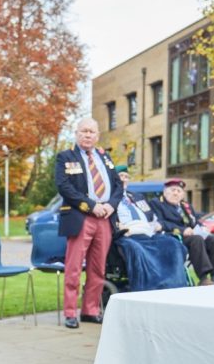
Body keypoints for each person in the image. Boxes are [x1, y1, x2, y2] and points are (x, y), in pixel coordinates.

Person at [55, 118, 123, 329]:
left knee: (98, 268)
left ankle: (90, 310)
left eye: (92, 132)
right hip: (81, 216)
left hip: (105, 218)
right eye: (84, 131)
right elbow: (64, 186)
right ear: (76, 134)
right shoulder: (65, 157)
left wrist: (111, 205)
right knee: (74, 267)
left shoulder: (105, 157)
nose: (87, 135)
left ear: (97, 135)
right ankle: (69, 313)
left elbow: (118, 185)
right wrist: (91, 205)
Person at [112, 166, 187, 291]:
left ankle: (176, 285)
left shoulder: (137, 197)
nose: (124, 179)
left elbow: (151, 217)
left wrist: (155, 225)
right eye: (121, 176)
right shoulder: (109, 197)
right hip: (126, 234)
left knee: (173, 244)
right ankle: (148, 288)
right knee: (136, 249)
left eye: (126, 177)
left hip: (147, 234)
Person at [152, 178, 214, 285]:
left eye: (179, 191)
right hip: (173, 238)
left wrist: (203, 228)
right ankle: (203, 278)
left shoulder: (185, 206)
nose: (176, 193)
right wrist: (182, 230)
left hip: (192, 238)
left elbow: (194, 221)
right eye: (173, 190)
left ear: (182, 194)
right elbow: (160, 223)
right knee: (197, 239)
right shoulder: (157, 203)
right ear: (165, 192)